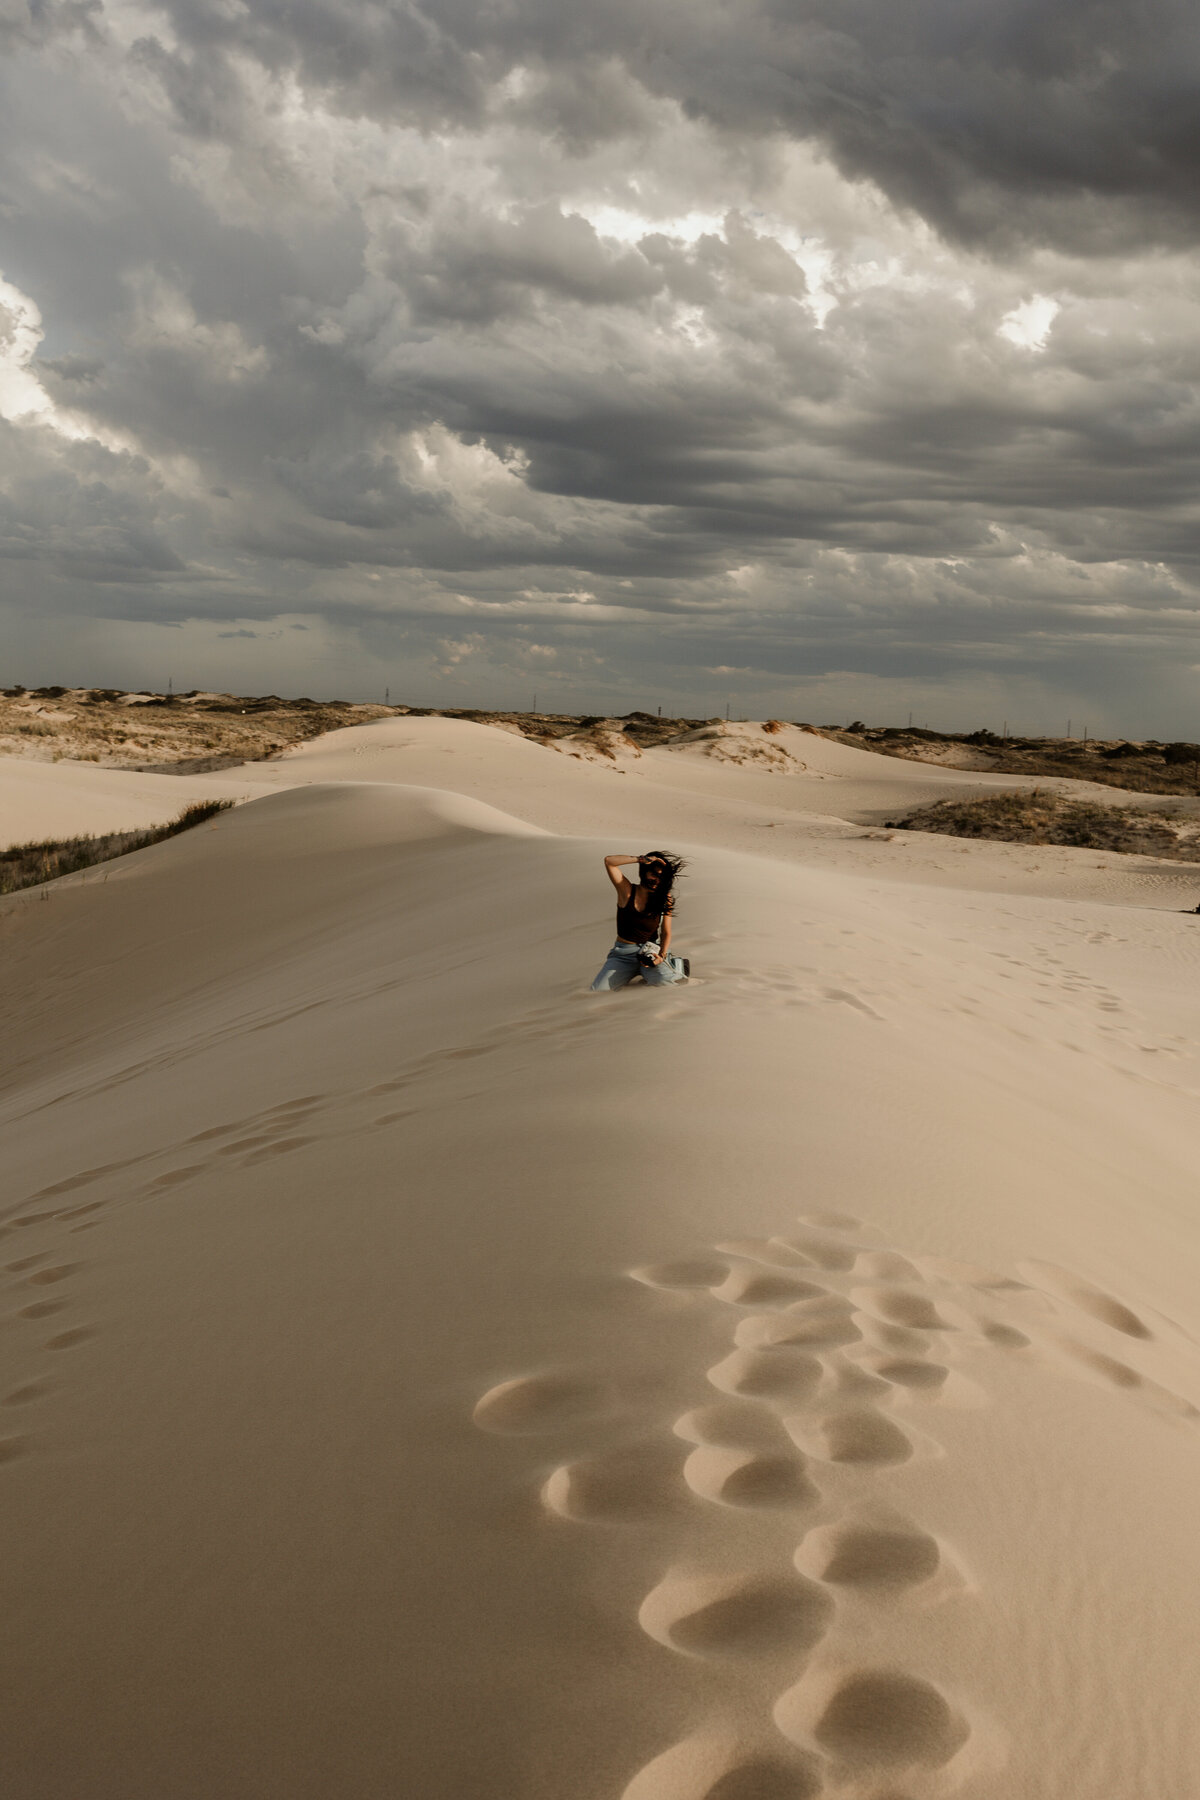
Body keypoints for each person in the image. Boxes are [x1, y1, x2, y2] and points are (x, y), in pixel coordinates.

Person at [591, 851, 687, 990]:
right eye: (653, 874)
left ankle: (673, 965)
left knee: (666, 985)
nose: (657, 880)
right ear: (644, 872)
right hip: (623, 955)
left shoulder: (665, 898)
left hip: (651, 952)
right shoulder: (627, 891)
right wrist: (641, 859)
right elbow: (609, 862)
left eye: (661, 876)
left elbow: (666, 932)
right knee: (598, 990)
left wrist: (661, 955)